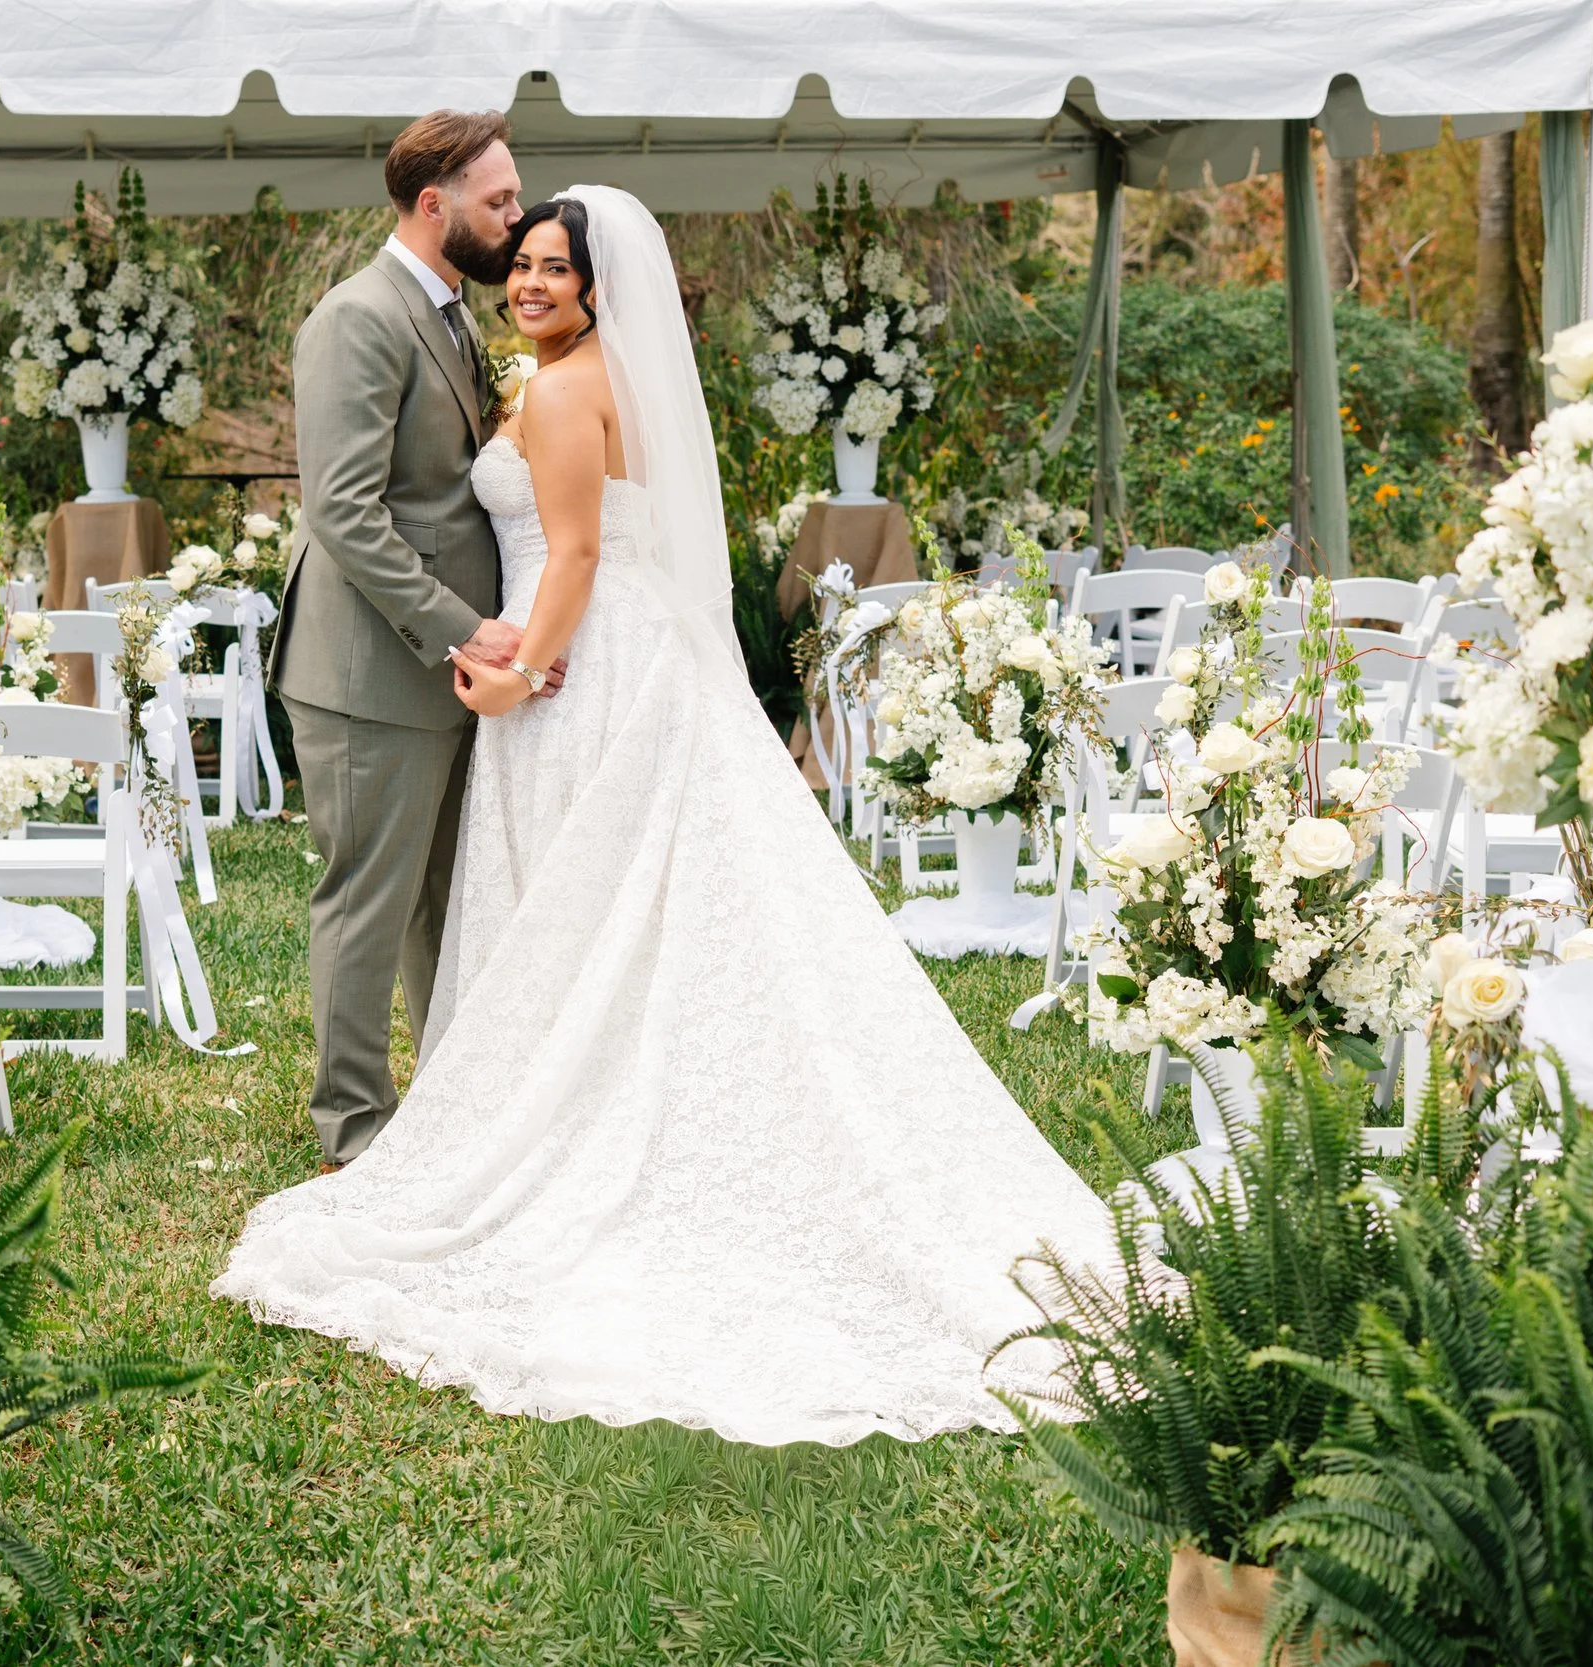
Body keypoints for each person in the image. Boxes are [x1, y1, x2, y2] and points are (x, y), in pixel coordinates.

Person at [221, 187, 1118, 1446]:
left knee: (590, 899)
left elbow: (575, 552)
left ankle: (574, 1116)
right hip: (602, 652)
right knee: (606, 906)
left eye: (551, 269)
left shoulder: (565, 388)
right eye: (519, 263)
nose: (528, 284)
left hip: (585, 669)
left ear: (597, 289)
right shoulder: (581, 372)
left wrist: (517, 669)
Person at [268, 110, 559, 1172]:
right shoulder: (360, 317)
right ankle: (353, 1127)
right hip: (367, 672)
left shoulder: (447, 316)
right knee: (368, 899)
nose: (514, 218)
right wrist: (466, 628)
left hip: (446, 670)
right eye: (497, 201)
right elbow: (345, 515)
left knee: (446, 897)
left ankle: (447, 1102)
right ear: (433, 206)